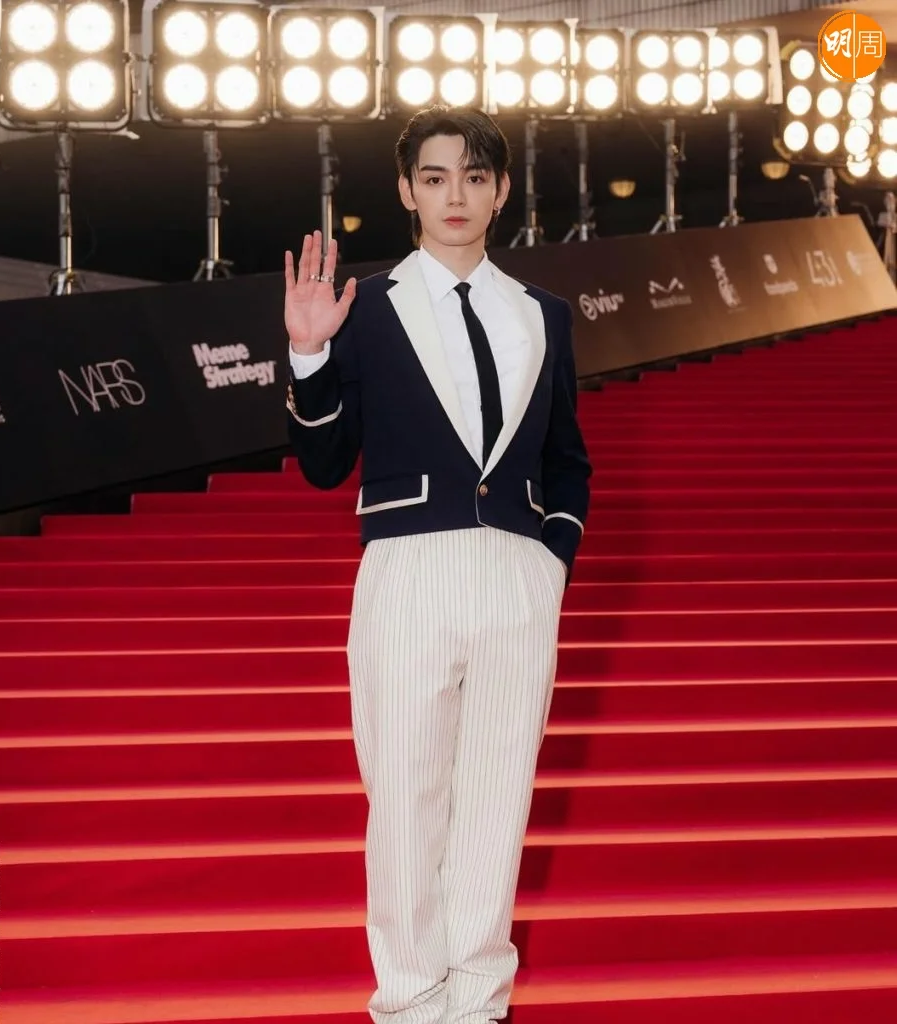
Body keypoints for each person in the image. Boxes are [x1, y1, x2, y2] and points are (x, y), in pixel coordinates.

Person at [283, 105, 591, 1024]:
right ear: (406, 190)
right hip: (409, 567)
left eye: (473, 177)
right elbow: (324, 464)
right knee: (407, 797)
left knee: (498, 795)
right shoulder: (366, 307)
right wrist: (309, 354)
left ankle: (480, 1002)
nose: (454, 194)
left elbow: (566, 458)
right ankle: (412, 1002)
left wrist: (551, 559)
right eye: (433, 177)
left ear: (500, 192)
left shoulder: (543, 315)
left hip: (516, 576)